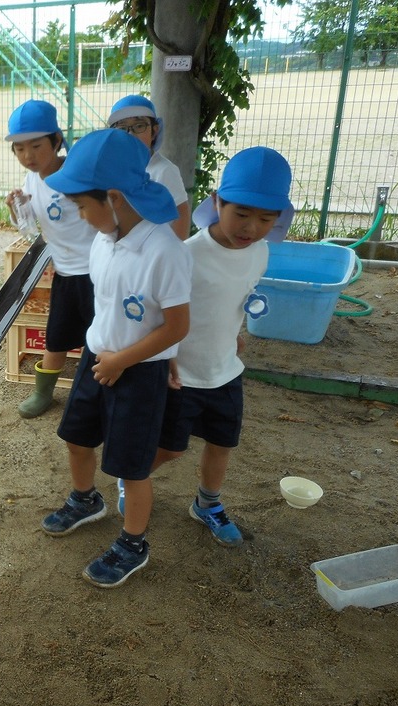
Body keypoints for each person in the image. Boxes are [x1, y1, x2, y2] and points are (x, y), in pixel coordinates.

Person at [40, 128, 192, 589]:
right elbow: (111, 307)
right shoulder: (104, 239)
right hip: (97, 356)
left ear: (112, 198)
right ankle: (86, 499)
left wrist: (136, 359)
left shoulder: (164, 251)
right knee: (77, 437)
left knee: (131, 464)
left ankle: (133, 542)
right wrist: (104, 355)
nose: (82, 217)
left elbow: (177, 325)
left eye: (84, 206)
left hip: (136, 371)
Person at [123, 146, 295, 547]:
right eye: (242, 213)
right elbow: (156, 313)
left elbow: (234, 296)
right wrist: (161, 357)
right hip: (184, 374)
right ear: (217, 202)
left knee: (222, 444)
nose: (251, 227)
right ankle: (131, 477)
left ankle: (208, 503)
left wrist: (233, 331)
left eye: (266, 218)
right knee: (169, 449)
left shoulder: (261, 251)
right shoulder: (186, 255)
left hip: (225, 370)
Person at [4, 99, 99, 419]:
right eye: (19, 148)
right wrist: (18, 209)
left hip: (96, 271)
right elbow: (33, 229)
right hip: (65, 271)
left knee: (101, 337)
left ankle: (101, 394)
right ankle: (43, 393)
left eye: (36, 145)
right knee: (57, 333)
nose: (28, 156)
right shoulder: (32, 180)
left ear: (57, 140)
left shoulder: (78, 174)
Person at [107, 95, 191, 240]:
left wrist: (172, 256)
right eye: (122, 128)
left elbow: (181, 215)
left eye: (139, 126)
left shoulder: (164, 170)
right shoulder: (113, 168)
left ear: (155, 131)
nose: (130, 134)